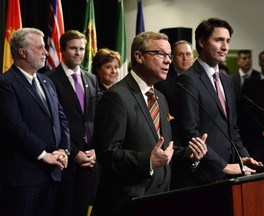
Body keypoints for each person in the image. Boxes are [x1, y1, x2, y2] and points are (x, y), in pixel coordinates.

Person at [91, 31, 208, 216]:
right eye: (161, 54)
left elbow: (162, 150)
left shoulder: (160, 98)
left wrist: (190, 155)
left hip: (159, 199)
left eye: (169, 55)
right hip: (127, 203)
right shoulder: (116, 97)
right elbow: (107, 153)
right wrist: (148, 161)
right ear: (139, 56)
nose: (168, 61)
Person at [175, 18, 263, 188]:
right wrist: (222, 165)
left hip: (232, 170)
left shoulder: (226, 80)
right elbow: (190, 132)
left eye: (228, 41)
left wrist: (242, 155)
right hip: (205, 174)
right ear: (201, 42)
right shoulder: (188, 80)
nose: (225, 47)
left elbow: (232, 127)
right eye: (219, 40)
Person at [0, 28, 70, 216]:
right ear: (23, 52)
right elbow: (14, 126)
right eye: (40, 48)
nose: (46, 52)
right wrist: (43, 154)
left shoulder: (47, 82)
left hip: (52, 172)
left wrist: (64, 149)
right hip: (24, 177)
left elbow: (61, 119)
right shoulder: (5, 83)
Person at [45, 30, 101, 216]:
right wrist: (74, 152)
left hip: (90, 159)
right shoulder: (49, 80)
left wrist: (95, 150)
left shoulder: (92, 79)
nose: (78, 53)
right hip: (66, 160)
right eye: (73, 48)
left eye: (82, 49)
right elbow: (53, 123)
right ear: (61, 50)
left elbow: (96, 118)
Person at [155, 40, 194, 140]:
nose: (185, 58)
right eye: (180, 54)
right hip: (174, 136)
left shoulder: (200, 79)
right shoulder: (162, 80)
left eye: (188, 54)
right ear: (172, 58)